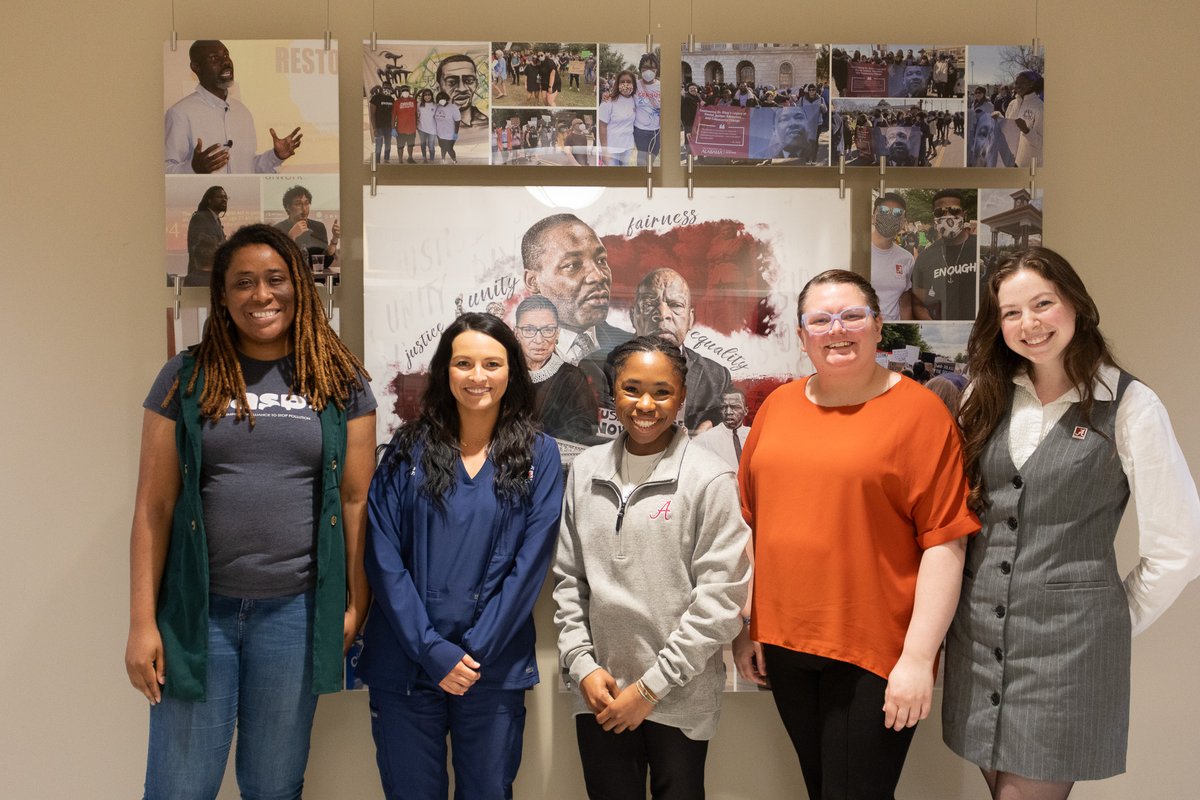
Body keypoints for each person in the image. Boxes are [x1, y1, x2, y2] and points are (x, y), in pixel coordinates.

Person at [125, 223, 376, 799]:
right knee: (178, 788)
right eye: (243, 282)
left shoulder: (340, 380)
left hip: (294, 615)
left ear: (299, 286)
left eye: (275, 279)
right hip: (197, 616)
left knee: (273, 786)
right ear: (222, 296)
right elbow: (154, 505)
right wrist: (142, 623)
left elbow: (356, 500)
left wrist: (357, 603)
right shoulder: (185, 376)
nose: (260, 294)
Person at [942, 247, 1200, 799]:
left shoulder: (1130, 405)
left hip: (1068, 657)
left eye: (1043, 304)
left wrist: (1107, 621)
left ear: (1075, 305)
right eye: (1011, 313)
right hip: (980, 646)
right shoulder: (982, 397)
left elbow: (1179, 547)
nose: (1029, 324)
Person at [733, 269, 977, 800]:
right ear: (802, 335)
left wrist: (917, 658)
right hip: (787, 644)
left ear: (878, 324)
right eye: (820, 319)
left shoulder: (920, 413)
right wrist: (749, 623)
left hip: (876, 651)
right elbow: (753, 525)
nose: (835, 329)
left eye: (851, 315)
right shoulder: (777, 408)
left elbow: (945, 541)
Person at [358, 312, 563, 800]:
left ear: (511, 370)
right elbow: (383, 557)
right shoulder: (406, 450)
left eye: (491, 363)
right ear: (444, 372)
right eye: (463, 363)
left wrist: (472, 653)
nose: (477, 376)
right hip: (407, 662)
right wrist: (431, 650)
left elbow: (530, 566)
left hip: (488, 668)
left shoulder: (540, 455)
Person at [554, 336, 751, 800]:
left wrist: (650, 689)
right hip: (598, 693)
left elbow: (720, 601)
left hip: (678, 697)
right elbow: (569, 582)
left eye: (662, 392)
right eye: (632, 389)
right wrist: (582, 665)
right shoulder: (585, 471)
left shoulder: (710, 478)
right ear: (612, 393)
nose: (646, 404)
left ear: (682, 397)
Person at [165, 40, 302, 174]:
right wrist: (194, 169)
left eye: (226, 55)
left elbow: (248, 168)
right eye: (214, 58)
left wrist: (275, 156)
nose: (225, 62)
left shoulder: (242, 112)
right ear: (196, 67)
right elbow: (166, 170)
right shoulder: (180, 113)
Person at [630, 267, 734, 433]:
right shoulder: (603, 369)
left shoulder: (717, 378)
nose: (663, 314)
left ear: (690, 319)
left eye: (676, 305)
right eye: (650, 304)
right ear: (633, 316)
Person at [521, 213, 629, 366]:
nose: (598, 276)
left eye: (601, 260)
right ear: (533, 282)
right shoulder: (511, 357)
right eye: (572, 265)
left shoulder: (631, 348)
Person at [513, 295, 598, 443]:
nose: (539, 340)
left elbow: (582, 429)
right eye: (529, 330)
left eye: (548, 330)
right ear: (516, 333)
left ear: (557, 333)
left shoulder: (573, 378)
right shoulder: (504, 375)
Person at [913, 189, 978, 320]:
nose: (947, 216)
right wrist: (935, 327)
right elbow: (918, 304)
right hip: (946, 333)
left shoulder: (979, 248)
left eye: (954, 210)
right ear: (934, 218)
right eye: (940, 212)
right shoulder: (925, 258)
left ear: (964, 214)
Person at [870, 193, 927, 321]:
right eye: (884, 211)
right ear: (873, 217)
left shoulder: (906, 258)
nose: (890, 216)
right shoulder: (858, 253)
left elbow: (905, 304)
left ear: (903, 222)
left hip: (892, 330)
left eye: (897, 213)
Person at [272, 185, 339, 272]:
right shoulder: (278, 229)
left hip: (316, 281)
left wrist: (335, 238)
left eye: (306, 203)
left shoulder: (318, 227)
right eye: (298, 204)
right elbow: (277, 262)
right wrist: (291, 236)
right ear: (287, 207)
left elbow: (325, 262)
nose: (304, 209)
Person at [693, 389, 750, 469]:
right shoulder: (706, 439)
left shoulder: (754, 435)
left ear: (745, 411)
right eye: (724, 407)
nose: (728, 412)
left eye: (735, 407)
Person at [184, 185, 227, 286]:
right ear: (209, 200)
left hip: (212, 275)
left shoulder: (215, 219)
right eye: (220, 197)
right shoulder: (200, 218)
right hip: (201, 278)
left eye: (225, 197)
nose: (224, 200)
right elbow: (197, 248)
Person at [1000, 70, 1044, 168]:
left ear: (1032, 84)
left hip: (1030, 164)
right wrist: (998, 119)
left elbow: (1042, 144)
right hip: (1011, 160)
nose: (1018, 86)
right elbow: (1008, 129)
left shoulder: (1040, 107)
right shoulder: (1012, 104)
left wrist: (1026, 131)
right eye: (1016, 83)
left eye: (1022, 82)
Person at [598, 70, 637, 166]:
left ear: (633, 84)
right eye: (622, 82)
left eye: (628, 81)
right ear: (617, 84)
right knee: (612, 177)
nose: (625, 84)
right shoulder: (608, 101)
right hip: (611, 148)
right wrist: (604, 151)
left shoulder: (635, 100)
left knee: (624, 177)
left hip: (627, 147)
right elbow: (602, 126)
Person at [437, 54, 487, 127]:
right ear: (439, 88)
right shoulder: (435, 122)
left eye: (469, 80)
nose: (462, 89)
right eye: (452, 82)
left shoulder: (485, 123)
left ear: (476, 84)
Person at [632, 54, 662, 167]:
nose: (648, 71)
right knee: (641, 162)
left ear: (656, 69)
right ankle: (641, 182)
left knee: (651, 162)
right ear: (640, 69)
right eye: (645, 67)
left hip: (657, 131)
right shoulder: (635, 85)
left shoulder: (662, 86)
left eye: (652, 67)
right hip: (640, 131)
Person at [432, 91, 461, 163]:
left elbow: (457, 121)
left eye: (442, 97)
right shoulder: (438, 107)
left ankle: (454, 160)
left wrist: (455, 133)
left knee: (449, 148)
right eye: (439, 98)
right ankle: (443, 160)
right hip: (440, 133)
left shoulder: (453, 107)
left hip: (450, 134)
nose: (440, 99)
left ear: (446, 98)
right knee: (442, 147)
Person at [369, 85, 396, 163]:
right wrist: (374, 128)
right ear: (382, 88)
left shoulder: (391, 99)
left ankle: (386, 159)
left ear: (391, 90)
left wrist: (393, 127)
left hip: (388, 127)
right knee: (378, 145)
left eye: (389, 89)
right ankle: (377, 161)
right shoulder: (375, 98)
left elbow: (393, 114)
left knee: (388, 144)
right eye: (385, 88)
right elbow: (372, 115)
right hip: (379, 126)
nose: (387, 90)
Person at [392, 85, 418, 164]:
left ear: (409, 91)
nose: (405, 92)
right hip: (400, 129)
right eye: (403, 90)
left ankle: (410, 158)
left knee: (410, 145)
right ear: (401, 92)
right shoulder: (397, 102)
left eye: (406, 90)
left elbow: (416, 114)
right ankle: (400, 160)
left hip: (411, 129)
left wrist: (416, 125)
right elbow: (393, 116)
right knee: (400, 146)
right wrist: (393, 128)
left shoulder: (414, 101)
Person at [416, 88, 439, 163]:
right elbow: (415, 114)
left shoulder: (435, 105)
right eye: (425, 95)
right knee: (423, 144)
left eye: (429, 95)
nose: (427, 96)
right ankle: (424, 158)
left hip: (432, 129)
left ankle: (432, 159)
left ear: (431, 96)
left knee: (431, 145)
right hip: (422, 128)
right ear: (423, 96)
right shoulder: (419, 104)